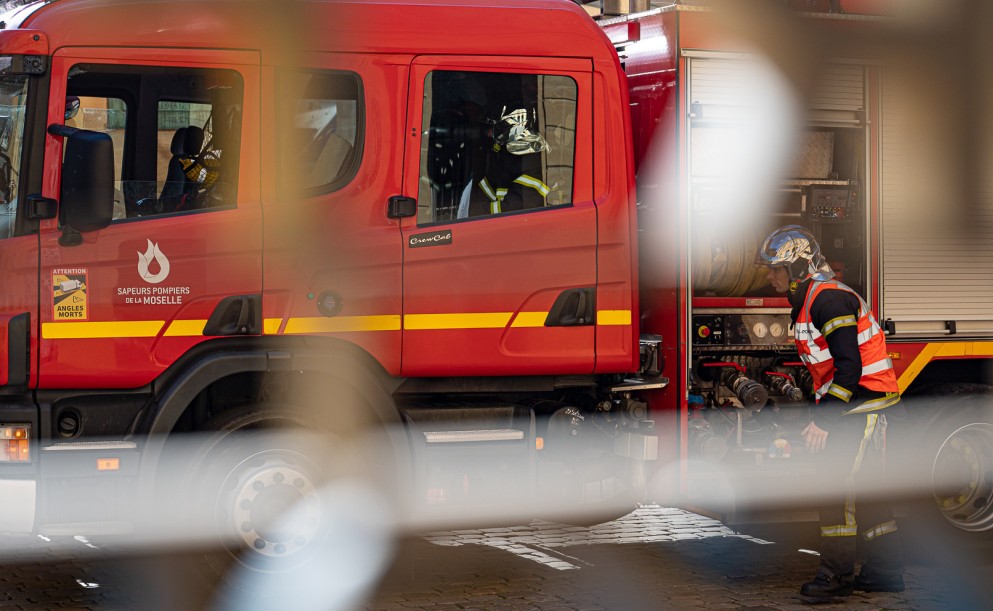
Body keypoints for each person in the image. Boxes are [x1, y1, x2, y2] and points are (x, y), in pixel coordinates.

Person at [756, 225, 906, 600]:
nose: (770, 276)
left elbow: (849, 368)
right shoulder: (814, 299)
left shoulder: (828, 301)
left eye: (776, 269)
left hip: (861, 402)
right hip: (864, 402)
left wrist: (824, 420)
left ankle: (835, 577)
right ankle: (885, 572)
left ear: (798, 268)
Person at [458, 105, 551, 218]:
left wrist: (479, 212)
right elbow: (481, 195)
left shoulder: (536, 163)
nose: (489, 134)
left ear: (516, 127)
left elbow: (514, 209)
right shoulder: (504, 159)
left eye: (496, 128)